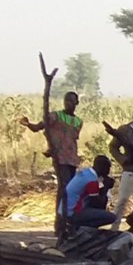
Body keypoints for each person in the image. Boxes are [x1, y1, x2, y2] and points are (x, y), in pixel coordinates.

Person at [20, 91, 83, 234]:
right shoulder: (55, 116)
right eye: (66, 100)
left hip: (72, 159)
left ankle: (68, 222)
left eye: (71, 101)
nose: (68, 103)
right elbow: (39, 128)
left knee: (71, 190)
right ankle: (60, 224)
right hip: (60, 158)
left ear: (77, 103)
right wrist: (28, 124)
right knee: (64, 189)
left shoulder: (79, 121)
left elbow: (71, 140)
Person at [63, 155, 117, 233]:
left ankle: (82, 228)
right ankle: (83, 229)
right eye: (108, 168)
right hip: (73, 212)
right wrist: (105, 187)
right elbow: (97, 202)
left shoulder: (87, 173)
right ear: (101, 167)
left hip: (66, 209)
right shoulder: (92, 180)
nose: (108, 171)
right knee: (111, 217)